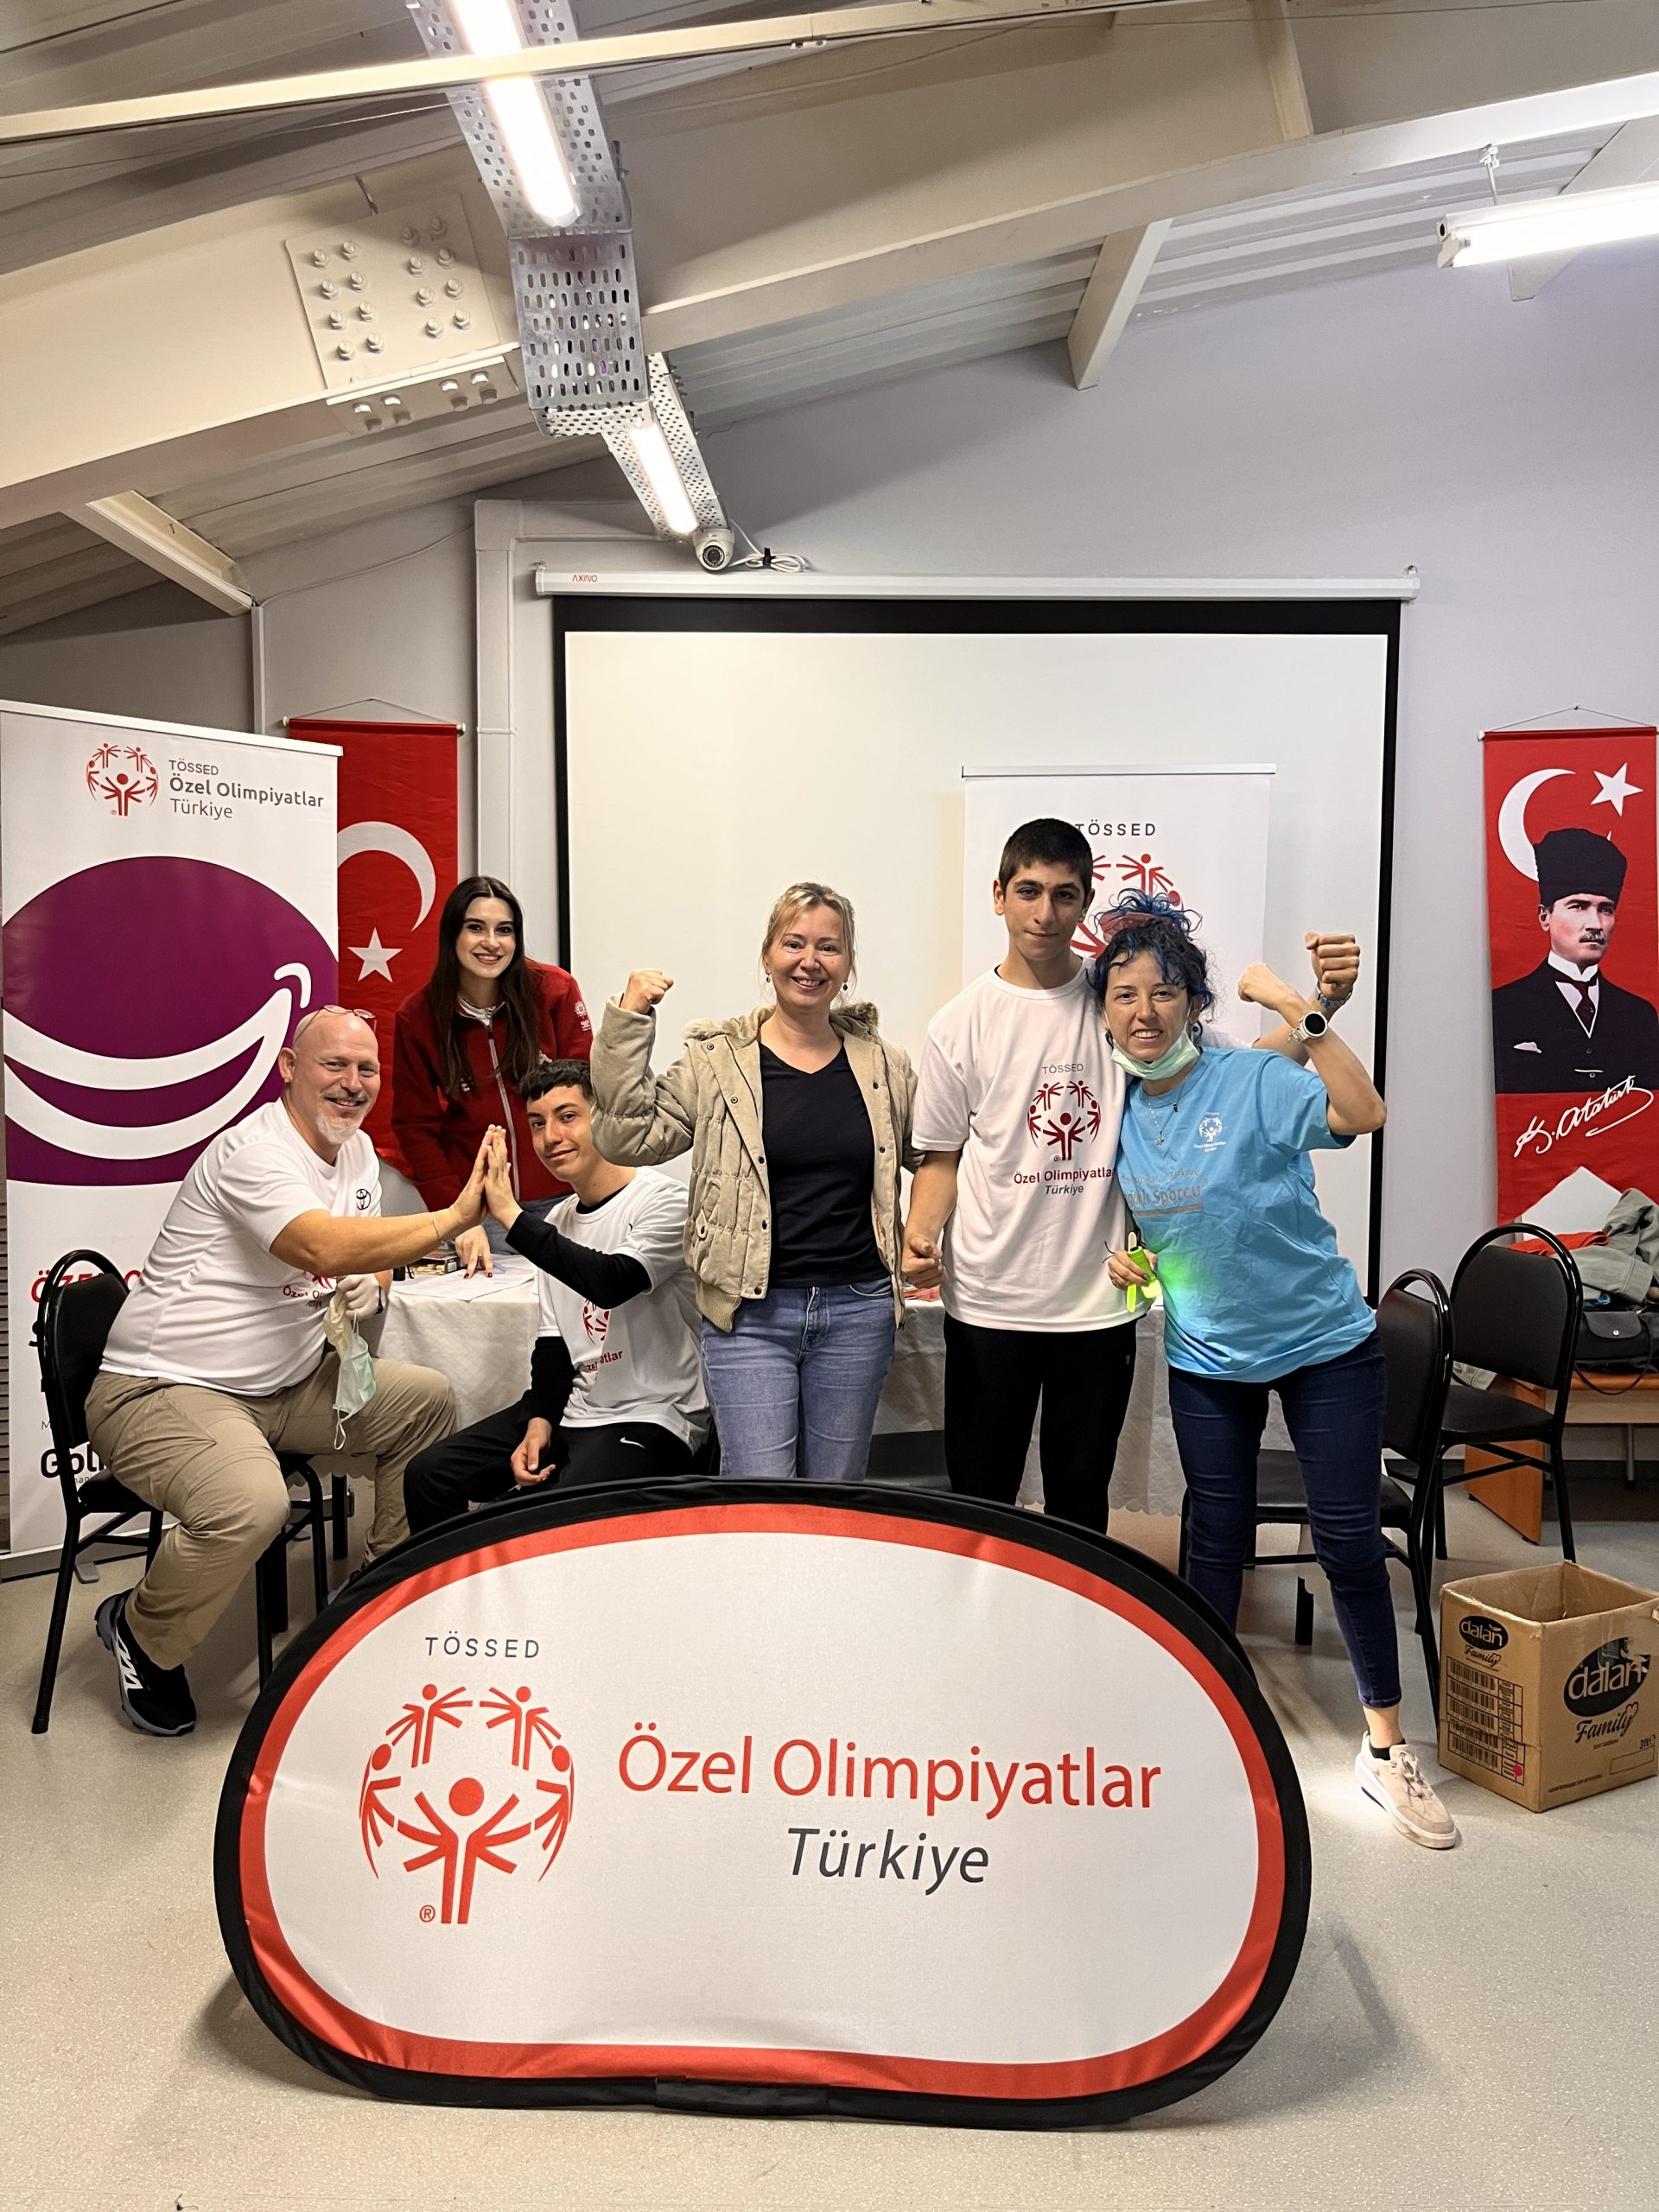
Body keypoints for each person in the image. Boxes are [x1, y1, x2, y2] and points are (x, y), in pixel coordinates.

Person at [1099, 906, 1457, 1849]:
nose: (1145, 1011)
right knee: (1213, 1543)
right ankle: (1212, 1728)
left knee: (1347, 1543)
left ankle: (1386, 1749)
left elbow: (1364, 1114)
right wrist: (1138, 1265)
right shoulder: (1119, 1114)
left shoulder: (1253, 1074)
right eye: (1125, 995)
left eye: (1164, 991)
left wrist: (1303, 1006)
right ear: (1104, 1013)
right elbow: (1168, 1229)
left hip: (1324, 1344)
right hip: (1208, 1356)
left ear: (1195, 1002)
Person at [900, 823, 1360, 1535]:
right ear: (998, 896)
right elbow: (941, 1157)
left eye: (1064, 895)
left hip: (1097, 1306)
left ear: (1085, 903)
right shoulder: (959, 1024)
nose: (1044, 913)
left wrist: (1321, 1006)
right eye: (1028, 892)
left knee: (1080, 1500)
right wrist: (920, 1235)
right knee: (982, 1495)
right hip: (990, 1301)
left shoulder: (1121, 1000)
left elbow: (1245, 1067)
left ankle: (1076, 1610)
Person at [85, 1009, 490, 1738]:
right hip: (165, 1387)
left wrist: (379, 1282)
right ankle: (142, 1634)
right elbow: (319, 1246)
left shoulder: (356, 1152)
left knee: (426, 1401)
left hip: (284, 1384)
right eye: (334, 1065)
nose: (352, 1083)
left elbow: (360, 1250)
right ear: (290, 1069)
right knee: (251, 1504)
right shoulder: (254, 1151)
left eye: (366, 1069)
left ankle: (377, 1593)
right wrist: (454, 1217)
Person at [590, 883, 917, 1480]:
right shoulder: (717, 1061)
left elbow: (937, 1152)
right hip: (749, 1316)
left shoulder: (884, 1065)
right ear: (767, 955)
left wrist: (927, 1233)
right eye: (794, 943)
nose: (810, 961)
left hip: (858, 1309)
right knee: (759, 1497)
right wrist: (629, 1020)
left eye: (828, 947)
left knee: (837, 1494)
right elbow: (626, 1139)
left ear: (848, 965)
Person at [404, 1060, 706, 1532]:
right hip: (575, 1409)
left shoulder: (665, 1201)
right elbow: (554, 1346)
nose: (550, 1138)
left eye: (568, 1117)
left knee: (545, 1518)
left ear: (604, 1117)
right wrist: (539, 1422)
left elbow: (611, 1282)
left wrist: (509, 1215)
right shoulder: (555, 1222)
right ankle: (447, 1581)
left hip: (654, 1414)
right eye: (537, 1123)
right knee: (429, 1475)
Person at [392, 875, 593, 1269]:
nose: (491, 942)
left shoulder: (554, 991)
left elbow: (589, 1095)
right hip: (482, 1213)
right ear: (452, 934)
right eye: (475, 928)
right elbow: (415, 1126)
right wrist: (457, 1216)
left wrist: (595, 1191)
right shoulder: (418, 1017)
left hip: (569, 1201)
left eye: (504, 930)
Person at [1491, 825, 1659, 1092]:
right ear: (1545, 916)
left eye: (1606, 909)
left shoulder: (1640, 1016)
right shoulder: (1501, 1007)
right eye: (1578, 906)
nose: (1596, 924)